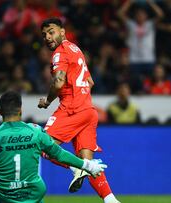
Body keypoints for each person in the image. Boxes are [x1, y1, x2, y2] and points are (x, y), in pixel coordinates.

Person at [38, 18, 120, 203]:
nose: (48, 37)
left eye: (51, 32)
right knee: (91, 165)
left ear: (62, 32)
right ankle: (111, 200)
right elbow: (90, 82)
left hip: (72, 109)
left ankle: (77, 168)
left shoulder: (60, 53)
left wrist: (48, 101)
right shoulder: (76, 50)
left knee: (41, 146)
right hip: (88, 111)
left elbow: (58, 82)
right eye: (44, 35)